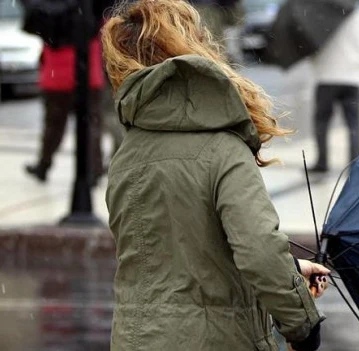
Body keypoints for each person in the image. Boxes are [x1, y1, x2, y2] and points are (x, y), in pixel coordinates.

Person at [101, 1, 328, 350]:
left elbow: (177, 257)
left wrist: (292, 268)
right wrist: (302, 325)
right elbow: (259, 249)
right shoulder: (223, 148)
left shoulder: (129, 154)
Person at [23, 10, 105, 183]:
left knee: (53, 125)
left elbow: (33, 25)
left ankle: (44, 165)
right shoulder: (90, 9)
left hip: (57, 73)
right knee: (91, 123)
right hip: (88, 69)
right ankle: (95, 168)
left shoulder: (52, 9)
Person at [309, 7, 359, 173]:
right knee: (353, 124)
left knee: (322, 123)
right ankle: (354, 163)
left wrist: (317, 63)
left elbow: (310, 47)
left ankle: (322, 162)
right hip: (353, 80)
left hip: (326, 79)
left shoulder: (321, 19)